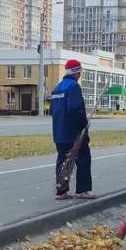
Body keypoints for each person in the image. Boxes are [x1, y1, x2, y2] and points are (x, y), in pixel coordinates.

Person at [51, 59, 95, 200]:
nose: (80, 74)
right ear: (77, 72)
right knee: (83, 159)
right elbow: (75, 110)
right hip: (73, 133)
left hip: (59, 132)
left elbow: (53, 110)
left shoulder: (57, 88)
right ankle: (83, 190)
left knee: (63, 161)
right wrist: (84, 126)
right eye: (80, 72)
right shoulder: (74, 87)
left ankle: (61, 191)